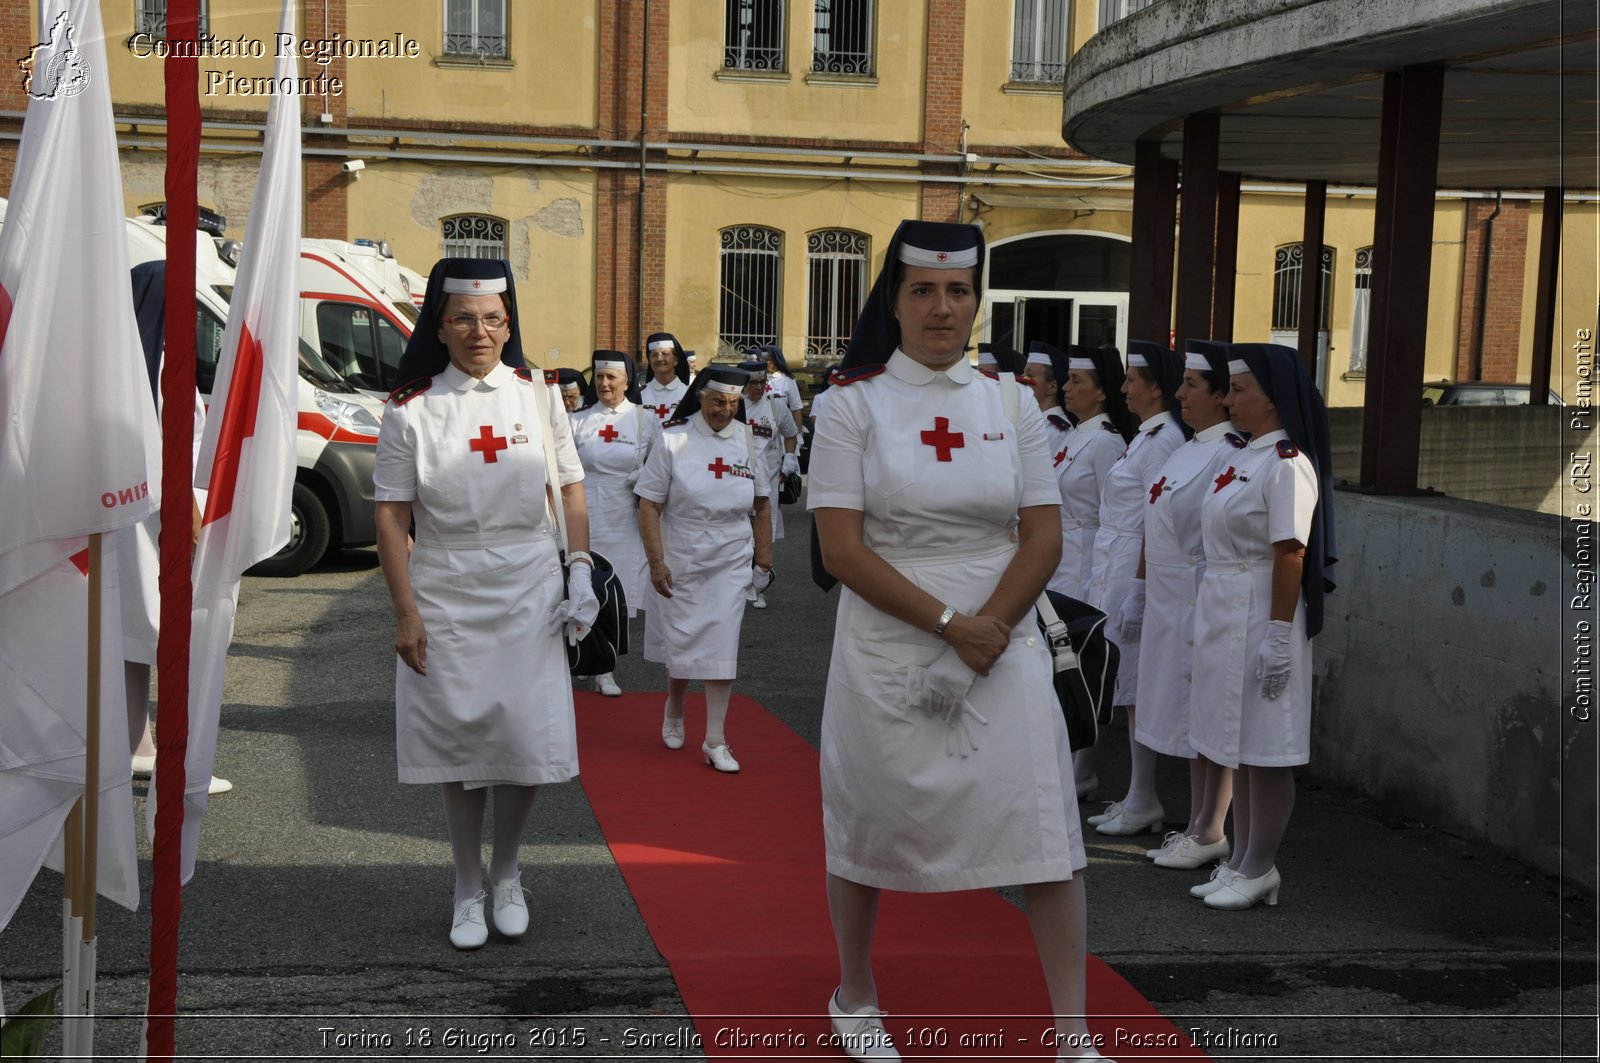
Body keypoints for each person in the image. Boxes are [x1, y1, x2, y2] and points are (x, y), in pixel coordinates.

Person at [808, 220, 1098, 1062]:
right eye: (923, 291)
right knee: (869, 820)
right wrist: (949, 625)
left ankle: (1072, 1034)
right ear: (893, 302)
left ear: (977, 301)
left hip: (1001, 638)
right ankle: (855, 997)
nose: (943, 308)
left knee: (1045, 829)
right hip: (891, 643)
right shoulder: (850, 404)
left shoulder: (1012, 404)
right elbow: (841, 549)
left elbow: (1042, 537)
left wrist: (988, 628)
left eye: (959, 291)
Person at [376, 258, 597, 950]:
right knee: (461, 735)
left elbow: (569, 488)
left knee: (524, 736)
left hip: (530, 580)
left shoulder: (539, 394)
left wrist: (581, 568)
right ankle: (466, 883)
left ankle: (508, 871)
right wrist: (405, 609)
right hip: (446, 581)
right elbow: (390, 516)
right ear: (439, 325)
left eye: (493, 318)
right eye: (464, 318)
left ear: (510, 325)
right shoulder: (410, 407)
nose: (480, 331)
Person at [1188, 342, 1335, 910]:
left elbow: (1290, 553)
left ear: (1273, 399)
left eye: (1240, 389)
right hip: (1227, 606)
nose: (1228, 399)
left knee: (1267, 746)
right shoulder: (1240, 457)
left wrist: (1278, 634)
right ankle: (1242, 860)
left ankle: (1261, 866)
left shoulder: (1286, 464)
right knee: (1240, 741)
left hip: (1261, 610)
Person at [1122, 340, 1238, 871]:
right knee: (1185, 715)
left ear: (1221, 396)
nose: (1180, 393)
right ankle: (1196, 823)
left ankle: (1211, 825)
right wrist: (1141, 589)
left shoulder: (1229, 450)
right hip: (1170, 595)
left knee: (1208, 714)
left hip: (1199, 595)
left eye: (1192, 385)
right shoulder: (1188, 446)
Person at [122, 261, 231, 796]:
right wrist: (191, 515)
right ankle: (178, 762)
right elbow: (166, 450)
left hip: (152, 519)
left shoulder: (147, 358)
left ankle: (139, 746)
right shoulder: (158, 364)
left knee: (137, 635)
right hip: (165, 518)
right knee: (177, 638)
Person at [636, 365, 775, 774]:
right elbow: (649, 503)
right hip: (682, 552)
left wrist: (763, 559)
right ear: (701, 396)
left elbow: (763, 503)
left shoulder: (747, 441)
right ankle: (675, 705)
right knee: (683, 642)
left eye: (733, 403)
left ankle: (715, 738)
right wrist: (656, 561)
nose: (725, 410)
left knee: (722, 643)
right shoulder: (673, 439)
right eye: (718, 401)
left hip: (731, 555)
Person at [1083, 341, 1189, 836]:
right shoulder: (1145, 436)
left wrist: (1141, 589)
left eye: (1131, 380)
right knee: (1125, 685)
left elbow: (1155, 522)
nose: (1123, 388)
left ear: (1155, 387)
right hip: (1116, 561)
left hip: (1133, 565)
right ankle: (1136, 794)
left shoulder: (1164, 439)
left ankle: (1144, 796)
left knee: (1135, 686)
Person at [569, 349, 661, 695]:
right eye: (600, 377)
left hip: (623, 516)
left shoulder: (644, 420)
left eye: (612, 377)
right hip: (585, 512)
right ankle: (581, 655)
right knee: (581, 584)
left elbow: (663, 467)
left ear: (627, 381)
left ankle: (606, 668)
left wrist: (646, 474)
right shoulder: (578, 420)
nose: (604, 383)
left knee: (614, 591)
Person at [1049, 344, 1133, 604]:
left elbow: (1111, 512)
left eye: (1076, 380)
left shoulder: (1106, 441)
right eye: (1068, 379)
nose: (1066, 387)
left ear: (1101, 392)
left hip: (1084, 563)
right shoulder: (1074, 434)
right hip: (1060, 558)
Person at [739, 358, 800, 569]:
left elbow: (791, 434)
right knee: (740, 532)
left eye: (762, 382)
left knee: (764, 532)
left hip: (769, 480)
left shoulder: (775, 404)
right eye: (753, 382)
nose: (758, 387)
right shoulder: (733, 404)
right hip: (738, 479)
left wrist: (790, 457)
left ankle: (761, 579)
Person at [640, 332, 691, 422]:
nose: (659, 358)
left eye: (665, 354)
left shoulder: (688, 394)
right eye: (654, 355)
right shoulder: (639, 395)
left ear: (676, 360)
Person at [759, 343, 806, 435]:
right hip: (759, 426)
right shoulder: (756, 378)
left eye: (767, 360)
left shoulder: (788, 380)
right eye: (761, 359)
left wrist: (799, 434)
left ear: (776, 361)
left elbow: (796, 409)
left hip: (781, 428)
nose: (763, 362)